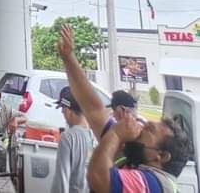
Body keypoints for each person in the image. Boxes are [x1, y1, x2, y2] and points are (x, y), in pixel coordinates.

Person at [57, 25, 191, 193]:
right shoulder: (134, 160)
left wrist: (115, 134)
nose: (140, 127)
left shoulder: (155, 183)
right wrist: (69, 59)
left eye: (149, 130)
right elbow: (93, 109)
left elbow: (99, 178)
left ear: (161, 156)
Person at [50, 86, 95, 193]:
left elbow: (62, 178)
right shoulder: (92, 135)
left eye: (62, 109)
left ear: (67, 110)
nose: (62, 113)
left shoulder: (68, 137)